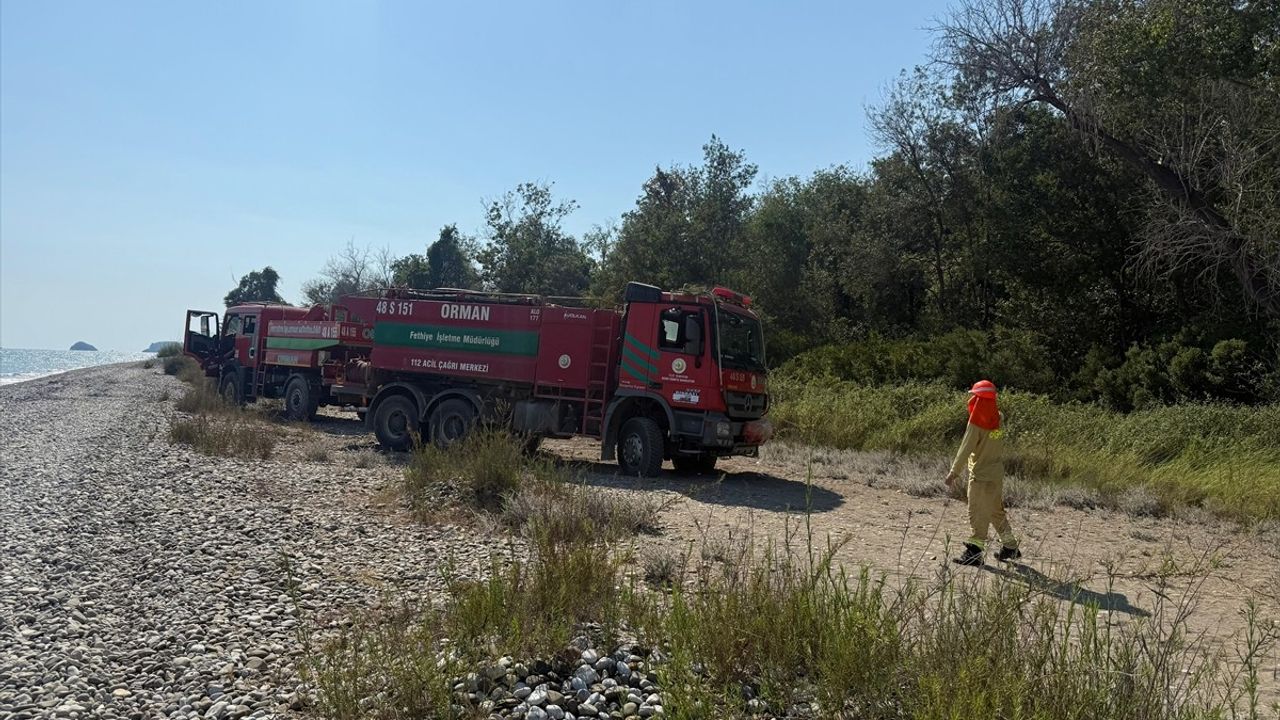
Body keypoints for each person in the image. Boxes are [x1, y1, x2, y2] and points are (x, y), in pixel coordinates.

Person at [944, 379, 1020, 566]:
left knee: (977, 512)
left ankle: (974, 553)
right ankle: (1010, 546)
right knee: (995, 511)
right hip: (996, 475)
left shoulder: (975, 424)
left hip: (981, 476)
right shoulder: (998, 418)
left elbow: (965, 449)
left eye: (974, 397)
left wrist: (953, 472)